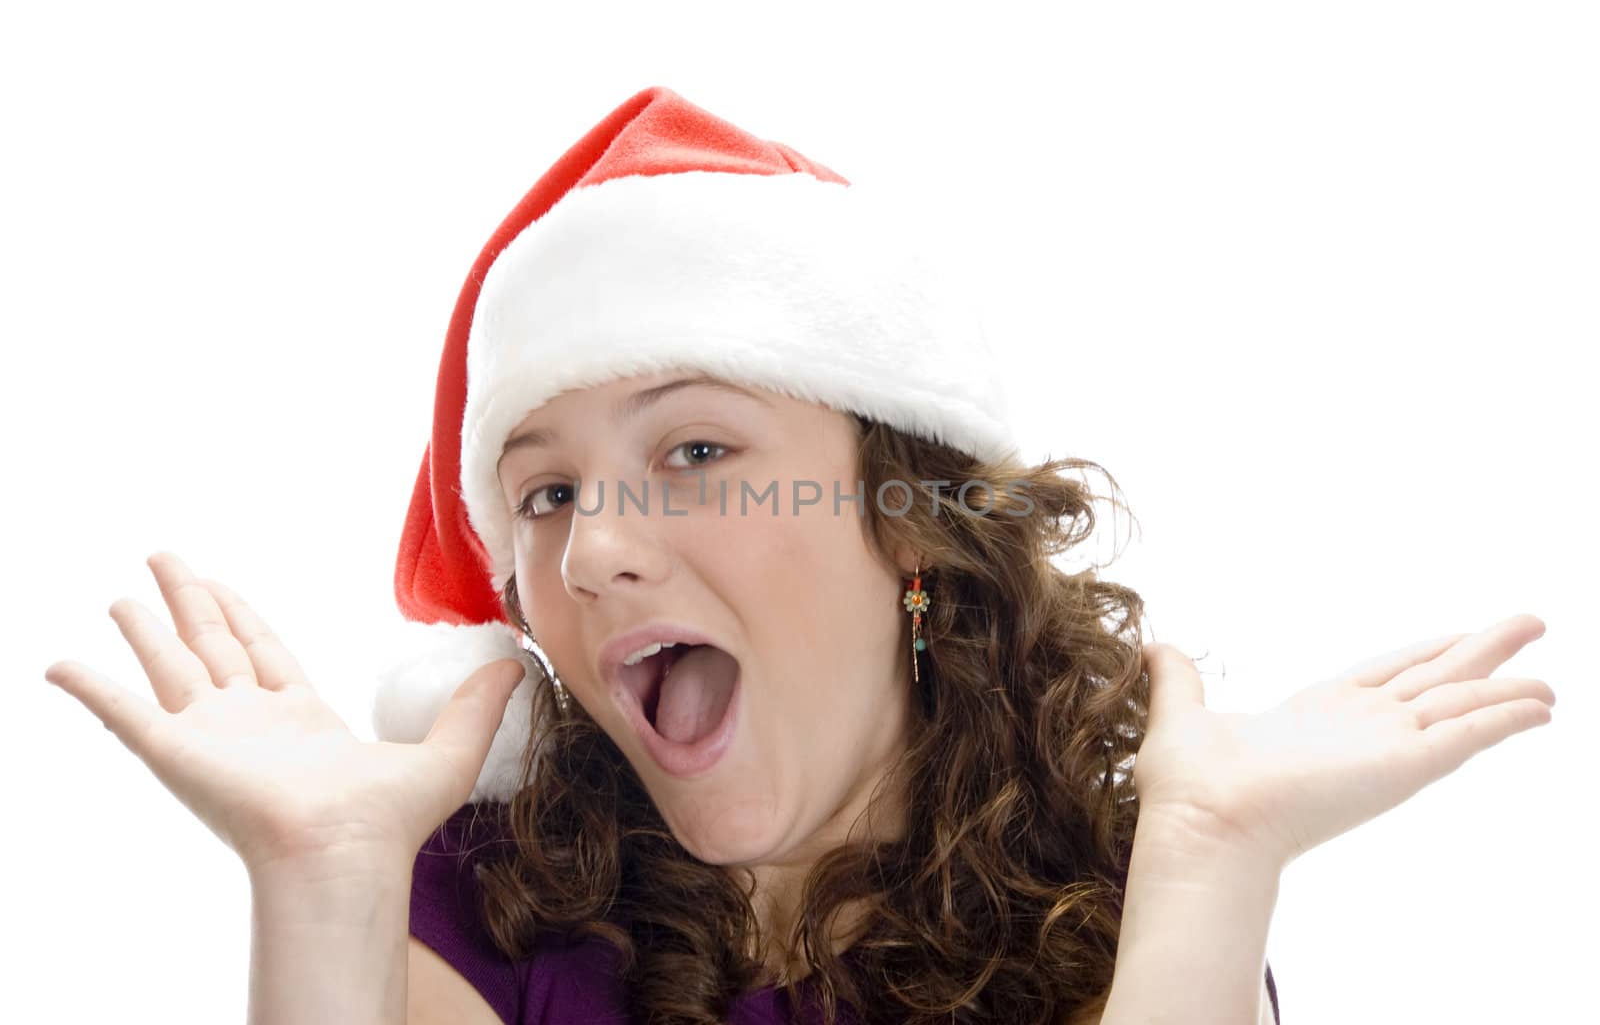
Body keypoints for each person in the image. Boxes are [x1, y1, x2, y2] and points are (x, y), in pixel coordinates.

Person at [42, 87, 1556, 1025]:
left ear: (903, 512)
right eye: (545, 493)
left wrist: (1213, 867)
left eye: (697, 451)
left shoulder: (1129, 907)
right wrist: (320, 885)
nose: (594, 554)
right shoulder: (470, 901)